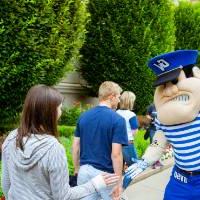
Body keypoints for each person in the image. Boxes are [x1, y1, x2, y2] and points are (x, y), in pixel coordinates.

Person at [1, 84, 120, 200]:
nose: (60, 112)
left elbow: (6, 184)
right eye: (60, 108)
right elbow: (63, 196)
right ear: (49, 112)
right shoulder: (53, 148)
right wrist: (94, 184)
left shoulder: (11, 138)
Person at [123, 50, 200, 200]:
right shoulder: (163, 120)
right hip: (181, 180)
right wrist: (144, 162)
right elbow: (157, 145)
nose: (170, 90)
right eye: (163, 85)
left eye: (176, 81)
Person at [72, 81, 128, 200]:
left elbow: (76, 146)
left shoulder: (83, 116)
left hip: (84, 171)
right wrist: (118, 182)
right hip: (105, 176)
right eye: (118, 97)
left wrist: (76, 168)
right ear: (111, 97)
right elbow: (116, 154)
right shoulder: (118, 120)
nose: (119, 101)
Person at [116, 91, 139, 166]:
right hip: (128, 143)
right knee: (134, 167)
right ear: (130, 102)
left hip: (116, 143)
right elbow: (134, 131)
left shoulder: (116, 113)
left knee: (119, 167)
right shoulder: (131, 115)